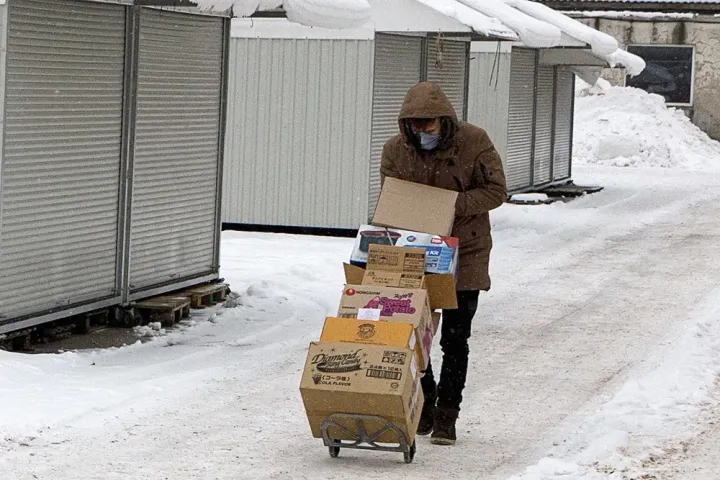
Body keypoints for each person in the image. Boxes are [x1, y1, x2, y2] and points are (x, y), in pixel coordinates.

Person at [380, 82, 507, 446]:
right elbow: (393, 197)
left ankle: (447, 417)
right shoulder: (395, 149)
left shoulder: (474, 141)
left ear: (445, 120)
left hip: (466, 251)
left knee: (455, 338)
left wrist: (452, 205)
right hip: (417, 251)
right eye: (414, 125)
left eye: (428, 124)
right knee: (413, 334)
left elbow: (497, 190)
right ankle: (426, 403)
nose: (422, 132)